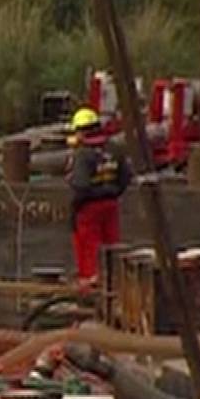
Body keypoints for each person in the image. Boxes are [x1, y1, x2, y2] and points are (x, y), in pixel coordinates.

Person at [66, 106, 131, 287]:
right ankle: (113, 282)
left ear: (81, 131)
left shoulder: (83, 154)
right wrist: (113, 192)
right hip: (111, 203)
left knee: (89, 247)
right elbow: (126, 176)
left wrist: (74, 209)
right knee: (111, 245)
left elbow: (81, 185)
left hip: (88, 207)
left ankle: (90, 284)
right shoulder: (114, 148)